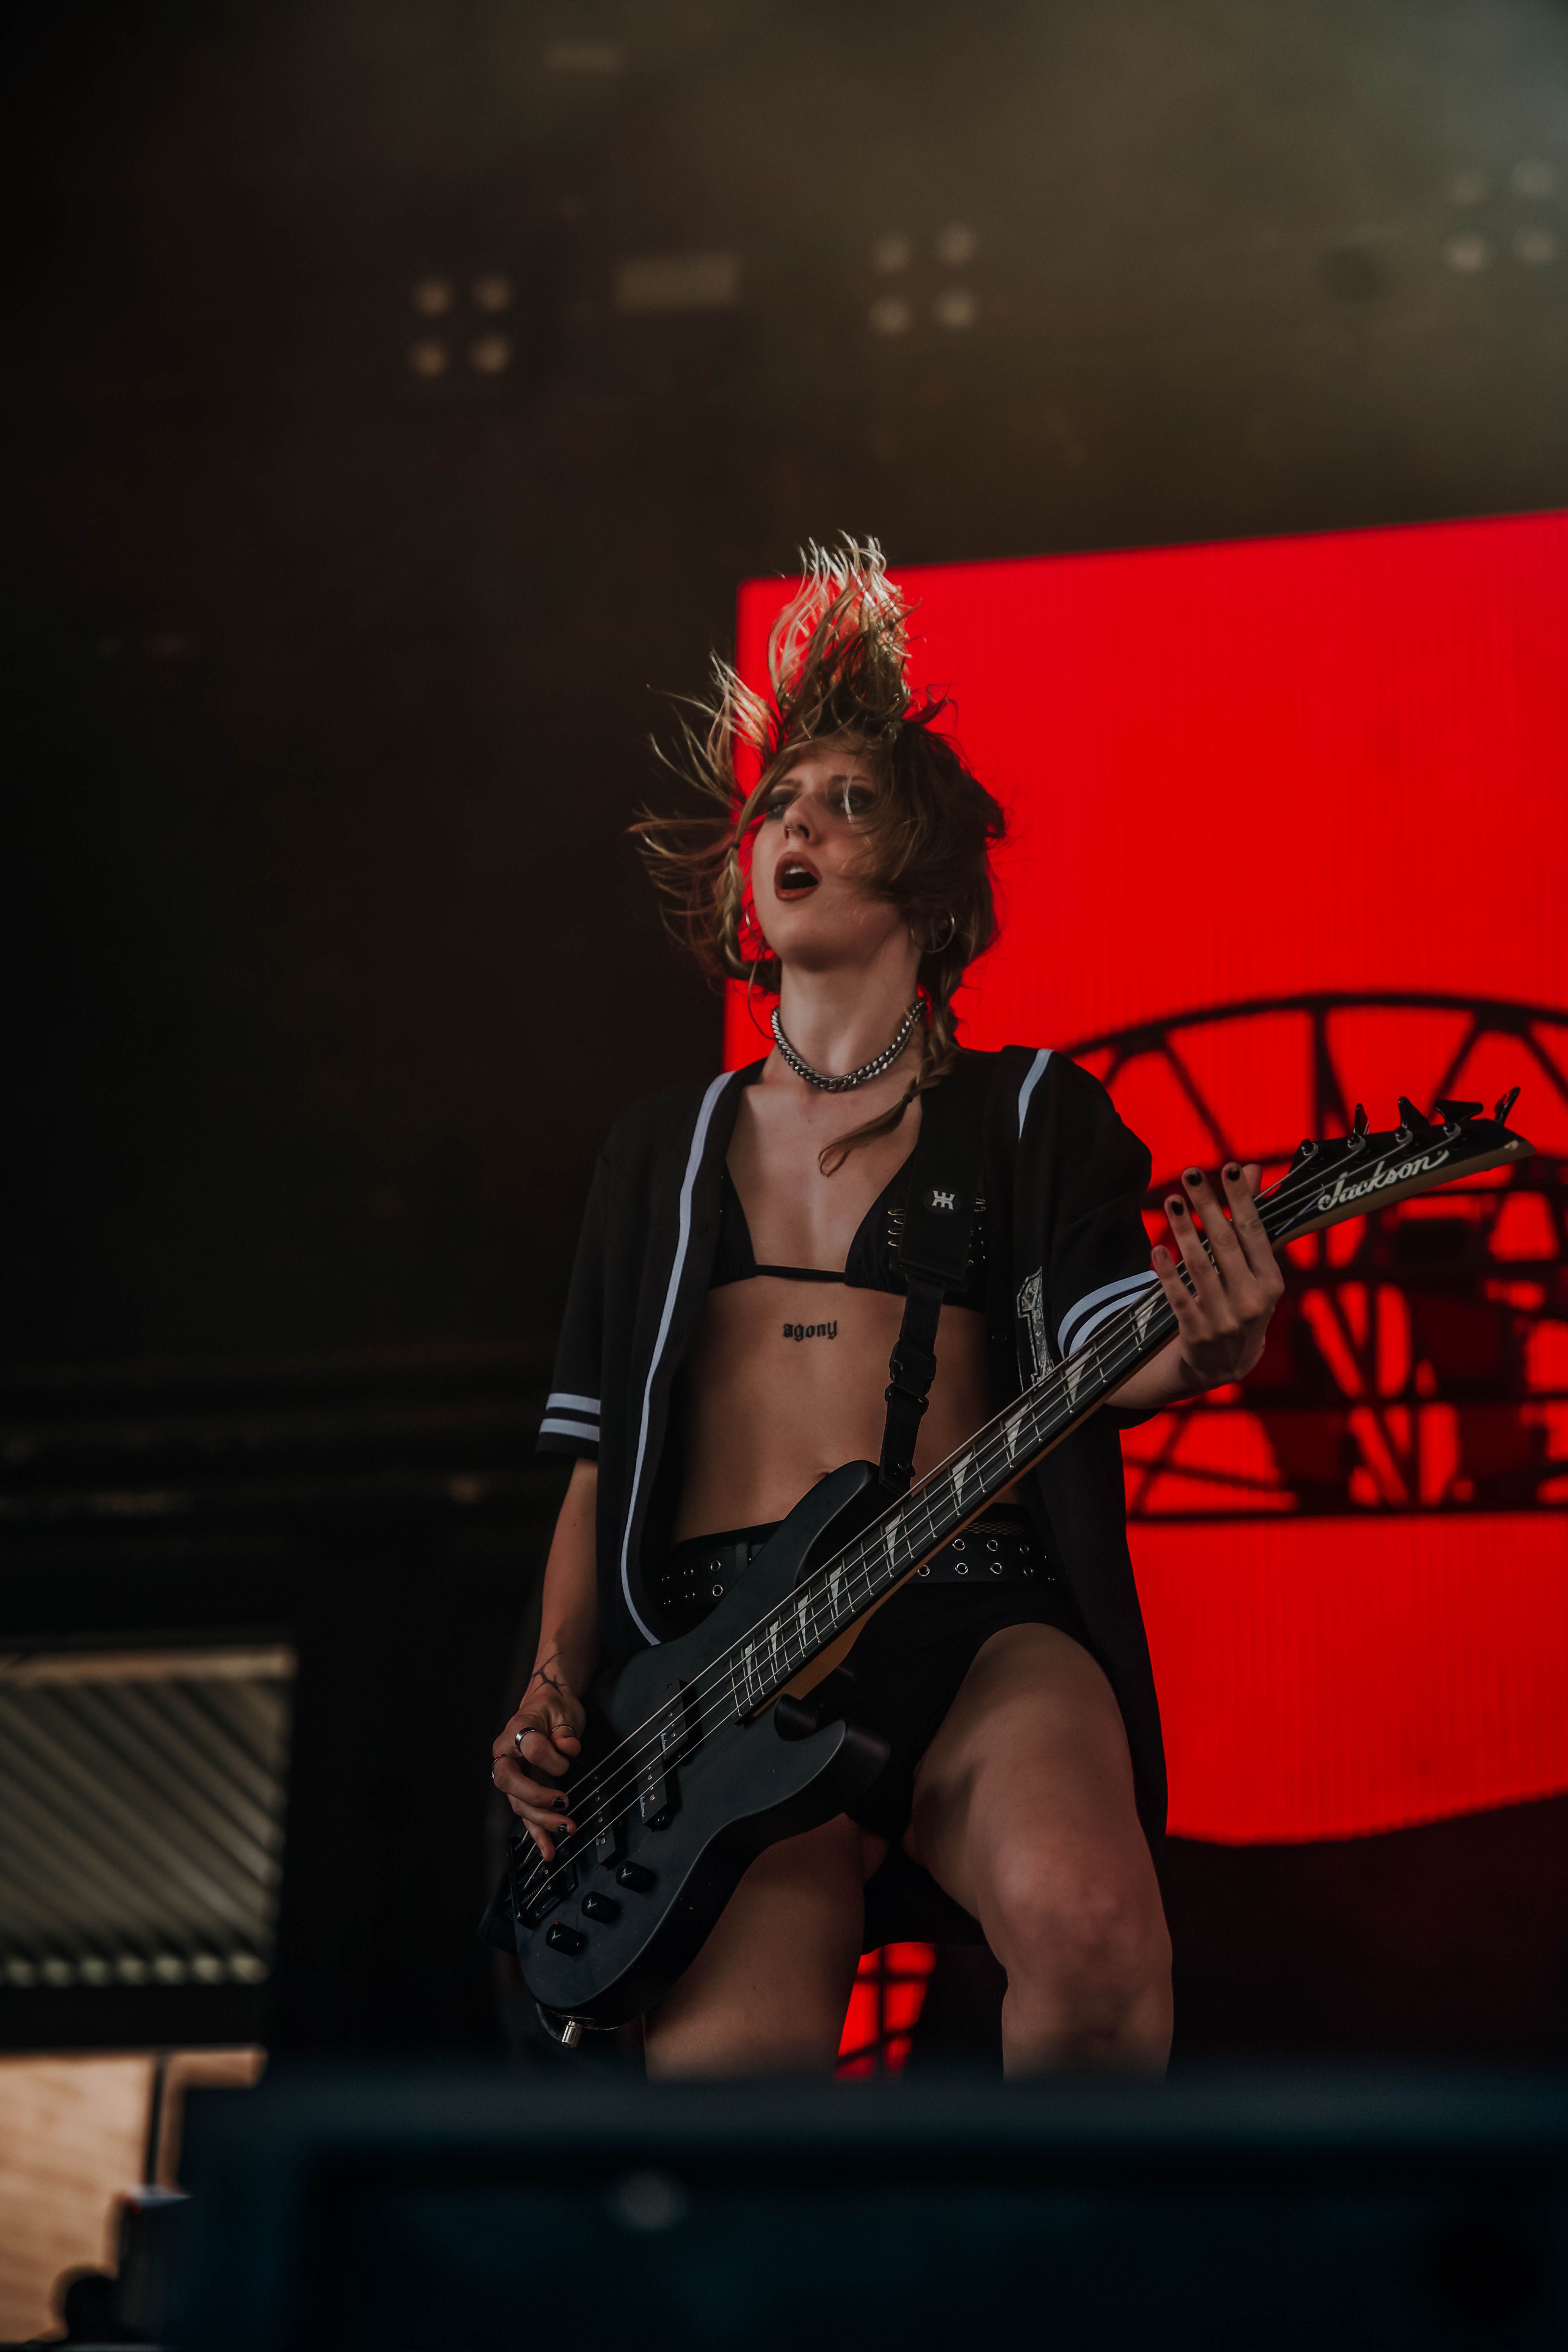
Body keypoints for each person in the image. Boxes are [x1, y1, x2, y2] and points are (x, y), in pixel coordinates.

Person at [491, 542, 1283, 2074]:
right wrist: (550, 1687)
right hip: (716, 1672)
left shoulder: (1034, 1111)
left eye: (846, 801)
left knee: (1092, 1935)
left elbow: (1104, 1342)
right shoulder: (658, 1151)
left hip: (979, 1614)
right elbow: (596, 1464)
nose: (793, 822)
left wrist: (1207, 1344)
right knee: (730, 2097)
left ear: (927, 874)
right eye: (779, 802)